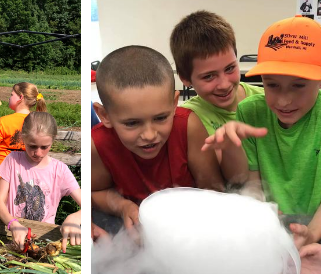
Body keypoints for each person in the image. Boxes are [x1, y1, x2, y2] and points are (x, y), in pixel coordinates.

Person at [202, 15, 321, 251]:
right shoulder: (249, 112)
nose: (284, 101)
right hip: (268, 226)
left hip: (319, 227)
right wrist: (263, 223)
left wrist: (311, 234)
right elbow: (253, 184)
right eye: (272, 84)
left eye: (298, 85)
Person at [91, 45, 225, 234]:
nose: (149, 135)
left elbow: (214, 192)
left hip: (192, 225)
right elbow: (94, 192)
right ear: (104, 115)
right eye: (132, 123)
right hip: (132, 229)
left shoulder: (188, 127)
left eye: (161, 118)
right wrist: (123, 207)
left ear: (174, 103)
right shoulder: (97, 145)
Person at [171, 10, 264, 165]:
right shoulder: (187, 120)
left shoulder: (267, 100)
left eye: (230, 68)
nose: (224, 84)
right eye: (209, 76)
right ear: (185, 78)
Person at [0, 112, 81, 250]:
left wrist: (75, 217)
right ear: (23, 138)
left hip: (44, 242)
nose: (38, 153)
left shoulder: (60, 170)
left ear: (53, 140)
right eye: (32, 146)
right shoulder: (12, 160)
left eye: (44, 147)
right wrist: (13, 224)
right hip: (13, 239)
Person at [0, 82, 47, 171]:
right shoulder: (39, 122)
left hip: (2, 172)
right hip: (28, 171)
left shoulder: (3, 122)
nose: (9, 98)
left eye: (12, 94)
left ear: (20, 97)